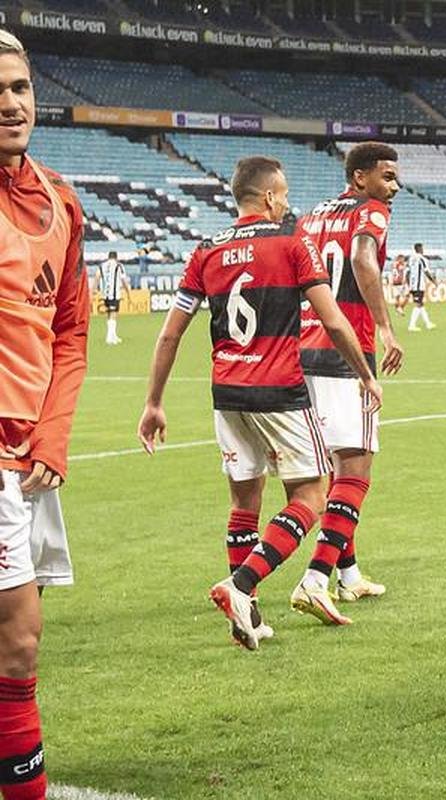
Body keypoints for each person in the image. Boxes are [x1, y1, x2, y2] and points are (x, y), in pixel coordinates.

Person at [137, 156, 382, 651]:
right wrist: (365, 374)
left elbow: (169, 334)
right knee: (311, 496)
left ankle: (247, 618)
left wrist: (154, 402)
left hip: (226, 393)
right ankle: (242, 586)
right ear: (269, 196)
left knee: (243, 504)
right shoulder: (292, 243)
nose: (288, 202)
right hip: (280, 391)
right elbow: (334, 321)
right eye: (285, 193)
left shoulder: (205, 251)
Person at [0, 29, 88, 800]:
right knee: (18, 638)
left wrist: (53, 432)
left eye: (20, 87)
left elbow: (70, 330)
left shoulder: (61, 200)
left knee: (18, 644)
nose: (9, 103)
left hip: (27, 456)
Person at [292, 142, 404, 624]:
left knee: (332, 469)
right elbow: (362, 258)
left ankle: (349, 574)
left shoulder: (313, 214)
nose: (394, 187)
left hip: (303, 349)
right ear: (361, 178)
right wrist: (383, 326)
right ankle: (316, 579)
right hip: (346, 351)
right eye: (387, 177)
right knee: (356, 468)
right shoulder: (371, 211)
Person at [95, 250, 131, 345]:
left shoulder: (102, 265)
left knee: (109, 313)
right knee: (113, 314)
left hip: (105, 294)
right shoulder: (119, 265)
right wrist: (128, 291)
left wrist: (93, 289)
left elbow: (97, 277)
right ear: (116, 257)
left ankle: (113, 335)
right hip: (114, 293)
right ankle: (109, 337)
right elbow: (123, 280)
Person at [406, 243, 437, 331]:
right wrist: (433, 281)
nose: (423, 249)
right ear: (419, 249)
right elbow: (426, 271)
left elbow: (407, 273)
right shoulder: (422, 259)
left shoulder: (410, 259)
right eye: (422, 248)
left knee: (421, 304)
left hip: (412, 285)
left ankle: (428, 323)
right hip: (419, 285)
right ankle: (411, 325)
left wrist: (409, 284)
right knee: (418, 304)